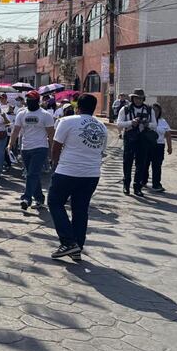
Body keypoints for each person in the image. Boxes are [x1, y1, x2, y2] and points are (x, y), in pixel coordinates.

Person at [47, 94, 108, 262]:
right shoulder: (102, 127)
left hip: (68, 170)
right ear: (94, 108)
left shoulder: (67, 121)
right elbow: (101, 152)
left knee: (54, 202)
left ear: (77, 107)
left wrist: (54, 164)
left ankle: (67, 241)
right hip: (91, 174)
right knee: (80, 210)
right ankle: (77, 247)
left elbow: (56, 146)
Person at [9, 91, 55, 211]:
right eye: (28, 99)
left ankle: (26, 198)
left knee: (32, 174)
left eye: (32, 99)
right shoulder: (21, 113)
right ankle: (39, 199)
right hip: (25, 148)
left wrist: (52, 153)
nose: (30, 101)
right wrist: (10, 145)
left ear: (37, 101)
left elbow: (51, 135)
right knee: (32, 175)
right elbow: (16, 130)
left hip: (40, 148)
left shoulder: (45, 115)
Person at [116, 88, 157, 197]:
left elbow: (155, 125)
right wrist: (131, 122)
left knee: (141, 163)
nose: (138, 100)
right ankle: (126, 184)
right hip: (129, 137)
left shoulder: (149, 109)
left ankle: (137, 187)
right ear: (132, 98)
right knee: (127, 162)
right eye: (136, 98)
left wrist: (147, 124)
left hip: (143, 138)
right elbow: (119, 124)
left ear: (143, 99)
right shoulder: (125, 109)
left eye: (140, 98)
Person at [149, 103, 173, 192]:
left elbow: (168, 134)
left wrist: (170, 147)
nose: (155, 112)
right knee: (145, 164)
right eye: (153, 110)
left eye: (157, 110)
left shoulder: (163, 121)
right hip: (148, 145)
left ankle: (156, 184)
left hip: (159, 145)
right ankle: (142, 181)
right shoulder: (147, 120)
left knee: (157, 165)